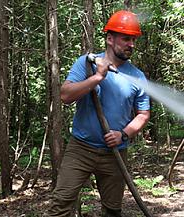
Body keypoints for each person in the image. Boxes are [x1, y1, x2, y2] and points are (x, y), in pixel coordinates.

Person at [49, 10, 151, 217]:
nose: (131, 44)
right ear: (110, 39)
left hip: (115, 153)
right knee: (60, 204)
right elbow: (65, 95)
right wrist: (96, 78)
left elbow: (143, 114)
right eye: (126, 39)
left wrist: (122, 134)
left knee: (112, 210)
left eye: (133, 39)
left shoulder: (138, 77)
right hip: (81, 148)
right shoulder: (86, 63)